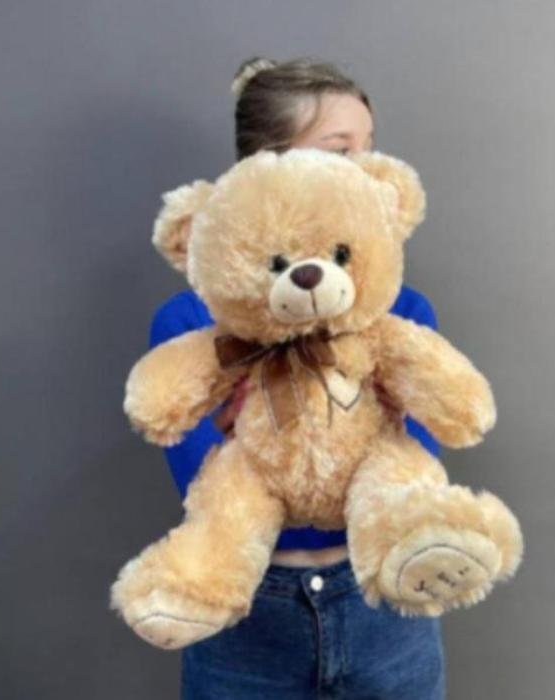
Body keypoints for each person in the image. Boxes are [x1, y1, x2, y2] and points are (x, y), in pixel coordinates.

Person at [150, 56, 446, 699]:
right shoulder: (193, 325)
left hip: (381, 603)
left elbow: (414, 467)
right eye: (340, 150)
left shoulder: (401, 312)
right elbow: (203, 481)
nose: (366, 167)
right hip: (247, 613)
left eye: (369, 146)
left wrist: (258, 435)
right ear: (268, 166)